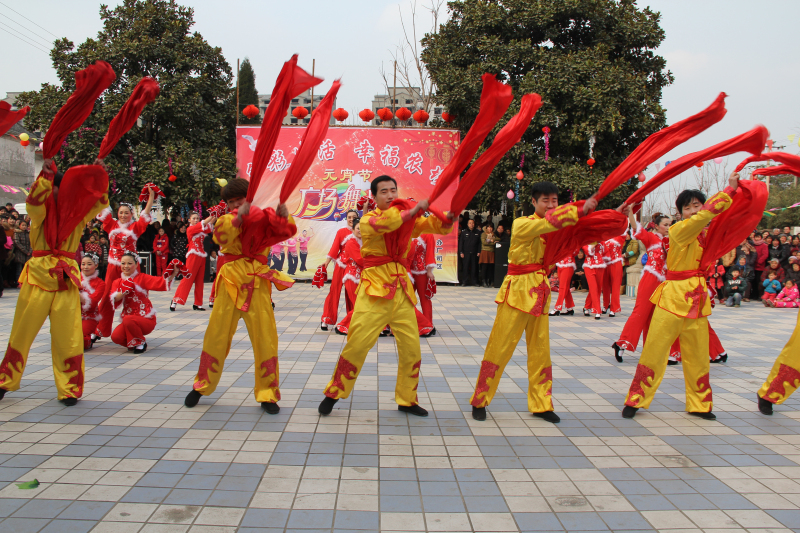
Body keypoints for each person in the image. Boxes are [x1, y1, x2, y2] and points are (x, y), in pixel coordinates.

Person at [318, 175, 453, 417]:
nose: (390, 195)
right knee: (357, 344)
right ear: (374, 197)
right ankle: (334, 392)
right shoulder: (369, 220)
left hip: (401, 290)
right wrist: (412, 212)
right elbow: (388, 224)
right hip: (374, 290)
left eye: (393, 190)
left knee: (412, 348)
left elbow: (435, 227)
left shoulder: (407, 219)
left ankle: (407, 399)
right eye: (384, 192)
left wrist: (447, 218)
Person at [469, 182, 598, 423]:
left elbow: (580, 230)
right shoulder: (523, 223)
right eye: (545, 201)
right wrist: (578, 210)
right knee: (499, 347)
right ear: (533, 202)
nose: (550, 205)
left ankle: (542, 404)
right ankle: (480, 399)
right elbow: (548, 224)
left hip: (540, 293)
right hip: (517, 293)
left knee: (540, 352)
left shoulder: (556, 227)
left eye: (554, 201)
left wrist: (612, 215)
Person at [622, 174, 739, 421]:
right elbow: (709, 214)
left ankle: (699, 404)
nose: (694, 211)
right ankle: (636, 399)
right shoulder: (679, 230)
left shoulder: (709, 235)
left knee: (697, 355)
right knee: (655, 349)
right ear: (680, 213)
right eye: (688, 207)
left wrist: (739, 194)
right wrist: (729, 189)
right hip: (672, 297)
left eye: (698, 205)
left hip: (697, 300)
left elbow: (727, 220)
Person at [0, 160, 109, 405]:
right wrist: (45, 178)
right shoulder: (40, 213)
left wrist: (98, 174)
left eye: (61, 190)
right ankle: (5, 381)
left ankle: (69, 388)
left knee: (68, 336)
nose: (57, 195)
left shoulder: (78, 215)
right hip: (38, 276)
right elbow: (34, 204)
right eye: (54, 190)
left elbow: (99, 202)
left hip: (65, 281)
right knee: (21, 333)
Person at [184, 178, 296, 412]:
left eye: (239, 199)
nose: (235, 204)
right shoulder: (226, 219)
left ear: (250, 197)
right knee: (216, 335)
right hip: (230, 282)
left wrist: (283, 216)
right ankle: (202, 385)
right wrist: (239, 216)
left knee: (265, 338)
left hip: (256, 281)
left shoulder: (265, 216)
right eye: (231, 201)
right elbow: (220, 238)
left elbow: (286, 231)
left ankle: (268, 394)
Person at [94, 190, 155, 339]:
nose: (123, 215)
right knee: (108, 297)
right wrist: (101, 187)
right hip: (113, 266)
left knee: (134, 296)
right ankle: (101, 329)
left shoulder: (135, 226)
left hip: (131, 269)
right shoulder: (111, 224)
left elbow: (145, 213)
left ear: (131, 214)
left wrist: (151, 196)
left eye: (126, 213)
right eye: (121, 212)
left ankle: (134, 328)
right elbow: (104, 205)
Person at [612, 213, 670, 362]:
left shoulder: (672, 240)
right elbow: (636, 227)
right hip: (651, 278)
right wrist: (631, 211)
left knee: (657, 317)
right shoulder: (652, 238)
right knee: (641, 312)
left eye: (670, 224)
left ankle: (651, 350)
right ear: (656, 226)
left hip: (666, 282)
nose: (669, 228)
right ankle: (622, 344)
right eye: (665, 225)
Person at [109, 252, 178, 354]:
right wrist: (124, 291)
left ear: (137, 264)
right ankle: (134, 341)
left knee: (128, 319)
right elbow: (114, 299)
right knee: (116, 337)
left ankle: (140, 343)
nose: (125, 266)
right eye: (123, 263)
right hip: (129, 319)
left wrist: (174, 273)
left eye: (129, 263)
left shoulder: (142, 278)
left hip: (145, 318)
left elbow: (160, 282)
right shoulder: (117, 282)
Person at [320, 210, 358, 330]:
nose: (351, 219)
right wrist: (326, 263)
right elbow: (334, 248)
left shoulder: (361, 231)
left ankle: (353, 319)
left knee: (353, 294)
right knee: (334, 291)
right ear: (346, 218)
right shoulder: (341, 232)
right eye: (349, 217)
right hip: (341, 266)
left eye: (354, 217)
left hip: (353, 267)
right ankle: (327, 318)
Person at [170, 211, 215, 311]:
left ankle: (197, 303)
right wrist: (212, 214)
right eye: (193, 218)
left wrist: (216, 214)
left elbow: (209, 224)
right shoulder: (190, 229)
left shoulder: (201, 229)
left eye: (197, 218)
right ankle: (175, 300)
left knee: (200, 280)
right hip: (193, 255)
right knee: (188, 278)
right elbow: (204, 223)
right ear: (189, 220)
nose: (196, 220)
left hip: (202, 256)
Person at [408, 232, 437, 327]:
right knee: (405, 298)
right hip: (408, 271)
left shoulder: (428, 234)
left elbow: (430, 252)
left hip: (422, 271)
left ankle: (428, 324)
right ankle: (405, 323)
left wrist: (429, 271)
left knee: (424, 298)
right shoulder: (408, 230)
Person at [79, 253, 105, 350]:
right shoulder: (75, 278)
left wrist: (77, 295)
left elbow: (92, 302)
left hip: (89, 316)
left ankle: (88, 340)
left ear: (96, 265)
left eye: (89, 264)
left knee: (82, 341)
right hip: (72, 315)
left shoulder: (100, 284)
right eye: (83, 264)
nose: (85, 267)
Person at [601, 232, 626, 317]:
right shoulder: (603, 236)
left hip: (616, 263)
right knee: (605, 285)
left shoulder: (620, 236)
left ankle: (614, 308)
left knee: (615, 285)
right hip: (605, 263)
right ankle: (605, 305)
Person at [582, 242, 606, 319]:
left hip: (600, 266)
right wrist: (595, 242)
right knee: (593, 288)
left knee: (598, 288)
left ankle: (587, 306)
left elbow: (606, 253)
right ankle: (597, 310)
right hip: (589, 266)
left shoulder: (602, 242)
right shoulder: (586, 241)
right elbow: (587, 251)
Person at [551, 248, 578, 316]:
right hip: (560, 264)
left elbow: (576, 251)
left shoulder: (573, 240)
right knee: (565, 288)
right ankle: (570, 308)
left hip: (568, 265)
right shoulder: (561, 240)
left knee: (562, 288)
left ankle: (557, 308)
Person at [458, 218, 481, 286]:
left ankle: (474, 282)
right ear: (467, 224)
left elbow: (479, 243)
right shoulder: (464, 232)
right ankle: (465, 281)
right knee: (465, 267)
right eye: (470, 223)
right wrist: (461, 252)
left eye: (472, 223)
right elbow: (461, 243)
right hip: (466, 253)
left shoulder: (478, 232)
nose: (471, 224)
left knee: (474, 268)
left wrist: (479, 251)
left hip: (475, 253)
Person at [479, 222, 496, 287]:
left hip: (491, 252)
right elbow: (484, 242)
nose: (490, 229)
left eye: (491, 227)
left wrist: (491, 241)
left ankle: (490, 280)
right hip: (485, 251)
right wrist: (492, 242)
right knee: (484, 267)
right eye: (488, 227)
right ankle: (484, 280)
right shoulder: (483, 234)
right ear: (486, 228)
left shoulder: (494, 234)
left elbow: (497, 239)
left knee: (490, 267)